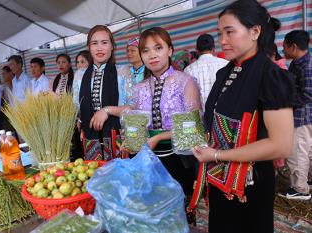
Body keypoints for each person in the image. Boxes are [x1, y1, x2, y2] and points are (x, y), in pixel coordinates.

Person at [190, 1, 294, 232]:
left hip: (251, 184)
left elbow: (281, 145)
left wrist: (217, 154)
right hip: (220, 179)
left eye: (229, 32)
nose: (223, 40)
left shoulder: (271, 76)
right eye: (220, 34)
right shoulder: (225, 72)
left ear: (255, 31)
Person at [132, 27, 201, 222]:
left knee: (179, 214)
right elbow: (136, 127)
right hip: (150, 161)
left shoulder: (185, 81)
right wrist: (129, 138)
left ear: (170, 50)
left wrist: (160, 136)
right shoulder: (140, 87)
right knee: (154, 215)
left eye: (158, 48)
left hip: (180, 159)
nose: (152, 55)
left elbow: (193, 129)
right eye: (146, 50)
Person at [73, 25, 133, 161]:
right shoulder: (80, 75)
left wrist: (107, 111)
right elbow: (76, 108)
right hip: (89, 140)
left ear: (112, 46)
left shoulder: (123, 72)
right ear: (89, 47)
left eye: (104, 43)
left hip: (118, 139)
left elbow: (133, 108)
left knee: (119, 180)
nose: (99, 48)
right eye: (94, 43)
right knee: (94, 177)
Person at [278, 30, 312, 200]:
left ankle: (300, 189)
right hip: (305, 116)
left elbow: (308, 94)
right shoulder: (298, 62)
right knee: (307, 151)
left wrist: (286, 103)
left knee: (298, 151)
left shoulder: (307, 65)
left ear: (294, 46)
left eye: (284, 46)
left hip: (302, 117)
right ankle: (307, 181)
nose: (282, 50)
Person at [184, 34, 229, 110]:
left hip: (200, 119)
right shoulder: (226, 64)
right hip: (223, 117)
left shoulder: (188, 70)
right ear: (213, 49)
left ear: (197, 50)